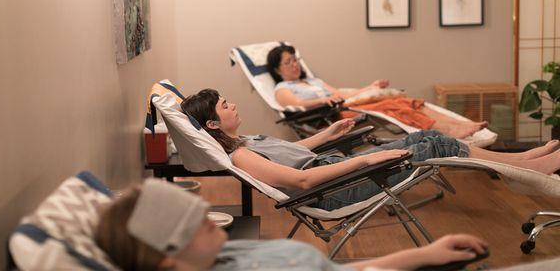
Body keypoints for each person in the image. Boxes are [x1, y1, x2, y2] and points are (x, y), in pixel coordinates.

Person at [180, 88, 560, 211]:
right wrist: (370, 157)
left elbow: (296, 153)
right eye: (224, 106)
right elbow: (303, 177)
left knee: (424, 142)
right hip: (333, 190)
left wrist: (327, 133)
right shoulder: (239, 155)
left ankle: (521, 162)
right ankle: (524, 166)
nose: (232, 106)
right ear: (212, 124)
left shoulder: (245, 142)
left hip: (336, 169)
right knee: (434, 144)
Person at [95, 178, 490, 271]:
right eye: (191, 222)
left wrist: (424, 254)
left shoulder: (222, 254)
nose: (207, 216)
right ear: (167, 260)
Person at [265, 44, 488, 140]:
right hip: (329, 118)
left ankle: (454, 125)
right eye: (288, 62)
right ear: (277, 69)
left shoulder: (313, 80)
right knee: (391, 106)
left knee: (402, 100)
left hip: (344, 106)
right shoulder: (282, 89)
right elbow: (297, 105)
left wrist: (371, 87)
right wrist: (324, 100)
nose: (294, 64)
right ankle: (447, 129)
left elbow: (342, 95)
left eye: (295, 59)